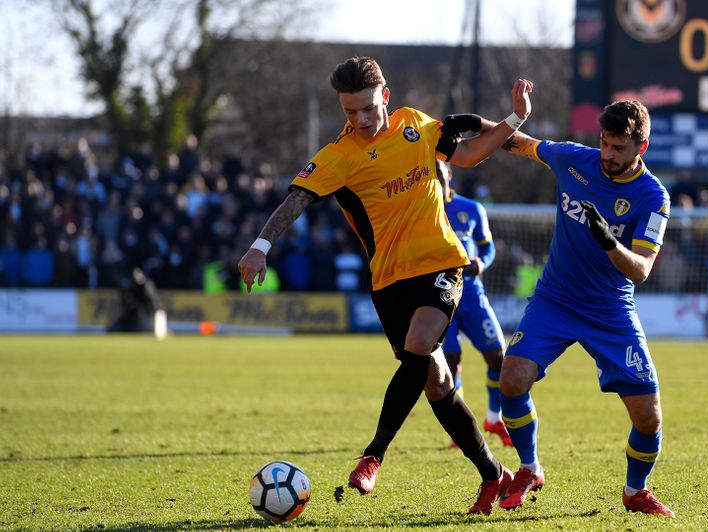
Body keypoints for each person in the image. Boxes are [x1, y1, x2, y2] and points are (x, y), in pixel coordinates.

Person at [237, 56, 533, 515]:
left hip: (442, 263)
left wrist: (516, 120)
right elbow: (297, 199)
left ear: (386, 98)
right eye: (349, 112)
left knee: (419, 344)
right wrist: (260, 246)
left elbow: (471, 151)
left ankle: (373, 455)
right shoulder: (340, 156)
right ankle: (495, 476)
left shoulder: (416, 125)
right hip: (389, 280)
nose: (359, 120)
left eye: (367, 109)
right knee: (435, 382)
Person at [491, 100, 675, 516]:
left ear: (641, 148)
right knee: (512, 379)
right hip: (555, 300)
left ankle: (635, 491)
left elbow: (642, 270)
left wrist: (609, 242)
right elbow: (519, 143)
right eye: (604, 143)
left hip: (610, 310)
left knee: (649, 418)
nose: (607, 155)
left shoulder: (653, 197)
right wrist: (465, 127)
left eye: (618, 148)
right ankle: (529, 467)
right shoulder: (575, 159)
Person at [436, 160, 512, 448]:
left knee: (498, 357)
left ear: (449, 176)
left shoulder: (471, 209)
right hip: (441, 295)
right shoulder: (422, 211)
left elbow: (487, 246)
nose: (437, 181)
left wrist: (483, 262)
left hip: (473, 294)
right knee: (451, 361)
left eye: (441, 175)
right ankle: (461, 428)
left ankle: (494, 418)